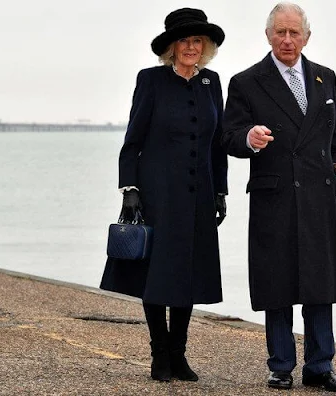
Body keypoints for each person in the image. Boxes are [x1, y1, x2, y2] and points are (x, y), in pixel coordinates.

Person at [222, 2, 336, 393]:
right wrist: (249, 138)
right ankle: (280, 366)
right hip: (275, 196)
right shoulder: (246, 82)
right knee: (276, 282)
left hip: (319, 197)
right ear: (267, 35)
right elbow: (229, 136)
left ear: (307, 37)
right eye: (280, 32)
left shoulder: (324, 78)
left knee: (320, 283)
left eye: (294, 32)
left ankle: (321, 366)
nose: (287, 39)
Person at [100, 8, 228, 383]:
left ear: (204, 47)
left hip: (199, 195)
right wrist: (130, 190)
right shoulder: (151, 81)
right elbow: (132, 142)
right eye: (184, 41)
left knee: (187, 275)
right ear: (171, 47)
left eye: (197, 41)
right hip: (157, 194)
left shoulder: (212, 82)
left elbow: (217, 144)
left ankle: (179, 354)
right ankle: (159, 354)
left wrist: (220, 190)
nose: (191, 47)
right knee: (156, 275)